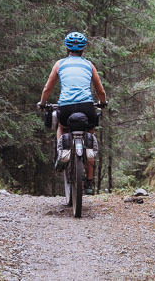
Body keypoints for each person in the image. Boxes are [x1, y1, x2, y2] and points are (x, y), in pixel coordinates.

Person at [38, 31, 106, 195]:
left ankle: (62, 154)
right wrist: (102, 103)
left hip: (66, 107)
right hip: (87, 107)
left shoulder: (60, 64)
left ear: (67, 48)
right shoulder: (89, 65)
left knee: (61, 126)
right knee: (89, 134)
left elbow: (48, 87)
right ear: (83, 49)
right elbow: (100, 90)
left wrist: (43, 103)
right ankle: (89, 181)